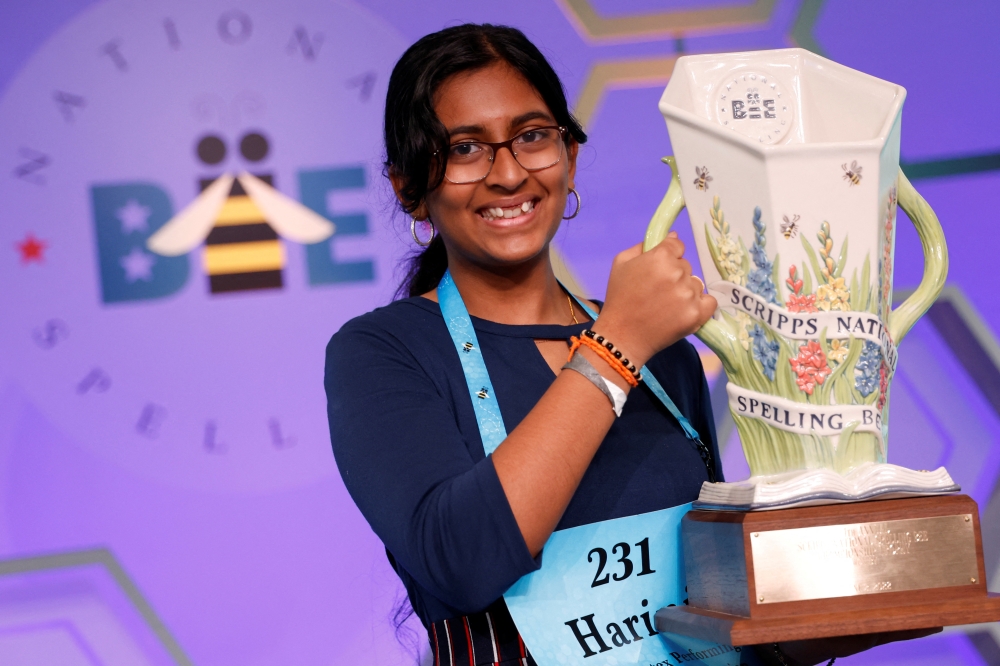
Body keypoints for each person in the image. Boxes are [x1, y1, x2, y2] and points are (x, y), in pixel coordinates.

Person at [325, 23, 934, 666]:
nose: (507, 173)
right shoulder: (383, 352)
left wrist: (811, 630)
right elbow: (463, 561)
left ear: (571, 157)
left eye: (533, 137)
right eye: (466, 148)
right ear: (408, 187)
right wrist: (617, 343)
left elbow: (709, 608)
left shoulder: (665, 351)